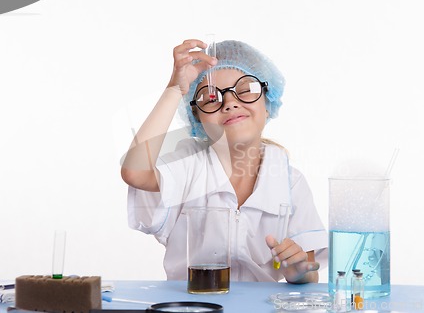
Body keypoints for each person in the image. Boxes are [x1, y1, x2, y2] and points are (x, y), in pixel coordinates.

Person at [121, 39, 328, 283]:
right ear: (197, 118)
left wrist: (298, 271)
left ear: (268, 102)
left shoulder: (290, 183)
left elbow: (308, 272)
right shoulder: (188, 165)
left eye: (245, 90)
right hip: (192, 306)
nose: (229, 102)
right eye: (210, 99)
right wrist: (175, 89)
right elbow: (135, 172)